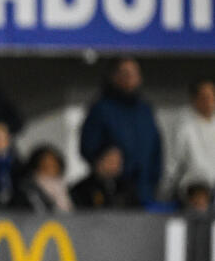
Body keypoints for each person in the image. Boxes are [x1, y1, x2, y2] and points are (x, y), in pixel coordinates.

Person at [79, 57, 162, 205]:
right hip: (116, 195)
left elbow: (156, 148)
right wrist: (104, 164)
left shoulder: (145, 110)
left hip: (146, 191)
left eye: (134, 73)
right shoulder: (102, 108)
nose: (130, 78)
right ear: (113, 76)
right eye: (125, 73)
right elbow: (88, 147)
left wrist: (155, 180)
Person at [166, 78, 215, 199]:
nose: (209, 101)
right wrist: (168, 187)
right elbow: (174, 162)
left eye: (211, 96)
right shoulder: (184, 125)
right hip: (194, 190)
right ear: (194, 99)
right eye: (204, 97)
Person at [69, 144, 138, 209]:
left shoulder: (127, 188)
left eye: (118, 162)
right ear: (99, 161)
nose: (114, 166)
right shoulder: (81, 189)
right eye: (110, 161)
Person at [13, 144, 73, 213]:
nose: (50, 167)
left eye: (53, 163)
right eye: (45, 163)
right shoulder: (27, 191)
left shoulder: (67, 189)